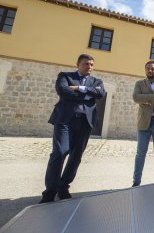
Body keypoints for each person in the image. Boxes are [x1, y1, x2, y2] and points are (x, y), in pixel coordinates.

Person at [39, 54, 105, 203]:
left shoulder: (97, 81)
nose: (89, 67)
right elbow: (62, 91)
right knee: (60, 152)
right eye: (86, 64)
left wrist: (79, 88)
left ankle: (63, 187)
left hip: (84, 122)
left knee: (76, 156)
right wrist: (88, 94)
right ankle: (50, 191)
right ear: (78, 64)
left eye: (91, 65)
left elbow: (100, 93)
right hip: (65, 120)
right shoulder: (65, 76)